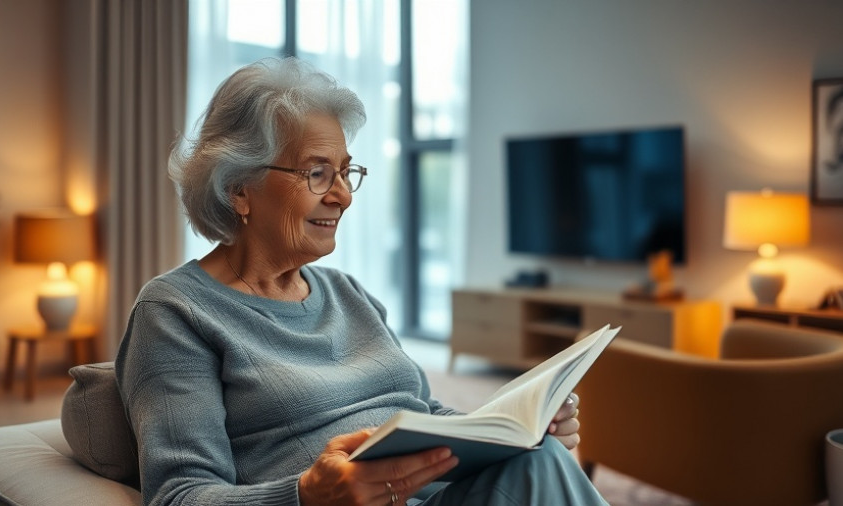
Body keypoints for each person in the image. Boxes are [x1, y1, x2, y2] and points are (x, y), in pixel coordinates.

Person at [115, 57, 608, 506]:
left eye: (347, 173)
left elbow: (424, 410)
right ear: (238, 188)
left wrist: (517, 430)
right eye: (317, 173)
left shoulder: (348, 293)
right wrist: (306, 496)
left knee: (540, 460)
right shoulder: (176, 311)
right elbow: (178, 495)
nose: (344, 196)